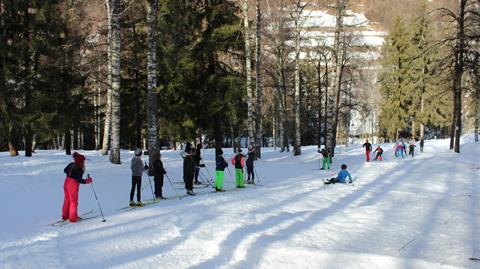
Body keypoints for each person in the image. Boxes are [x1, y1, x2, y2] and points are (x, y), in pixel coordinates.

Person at [62, 152, 93, 222]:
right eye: (83, 160)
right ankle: (73, 218)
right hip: (72, 185)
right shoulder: (79, 168)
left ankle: (65, 216)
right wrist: (88, 181)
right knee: (73, 201)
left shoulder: (71, 164)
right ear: (81, 161)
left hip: (66, 182)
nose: (84, 162)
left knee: (67, 200)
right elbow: (79, 180)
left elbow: (65, 170)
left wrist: (70, 173)